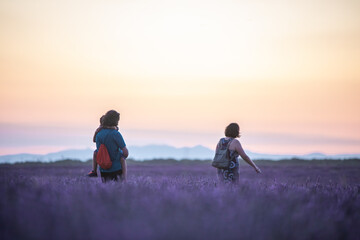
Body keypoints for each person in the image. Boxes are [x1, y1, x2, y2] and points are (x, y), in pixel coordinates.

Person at [91, 110, 128, 182]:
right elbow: (125, 152)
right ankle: (125, 179)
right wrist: (121, 157)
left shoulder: (98, 134)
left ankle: (94, 171)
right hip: (116, 168)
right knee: (118, 191)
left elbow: (94, 141)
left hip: (103, 169)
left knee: (106, 191)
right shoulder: (116, 134)